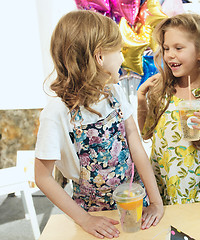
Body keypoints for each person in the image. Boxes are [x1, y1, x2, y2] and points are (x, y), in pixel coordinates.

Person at [34, 10, 163, 239]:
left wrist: (155, 201)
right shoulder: (56, 113)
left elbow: (135, 143)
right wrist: (84, 219)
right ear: (99, 57)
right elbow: (43, 177)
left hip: (133, 203)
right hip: (91, 216)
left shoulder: (114, 92)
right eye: (120, 51)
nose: (123, 59)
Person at [137, 13, 200, 205]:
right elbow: (145, 134)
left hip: (194, 188)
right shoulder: (162, 89)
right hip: (161, 184)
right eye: (166, 48)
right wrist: (141, 99)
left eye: (178, 48)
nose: (169, 55)